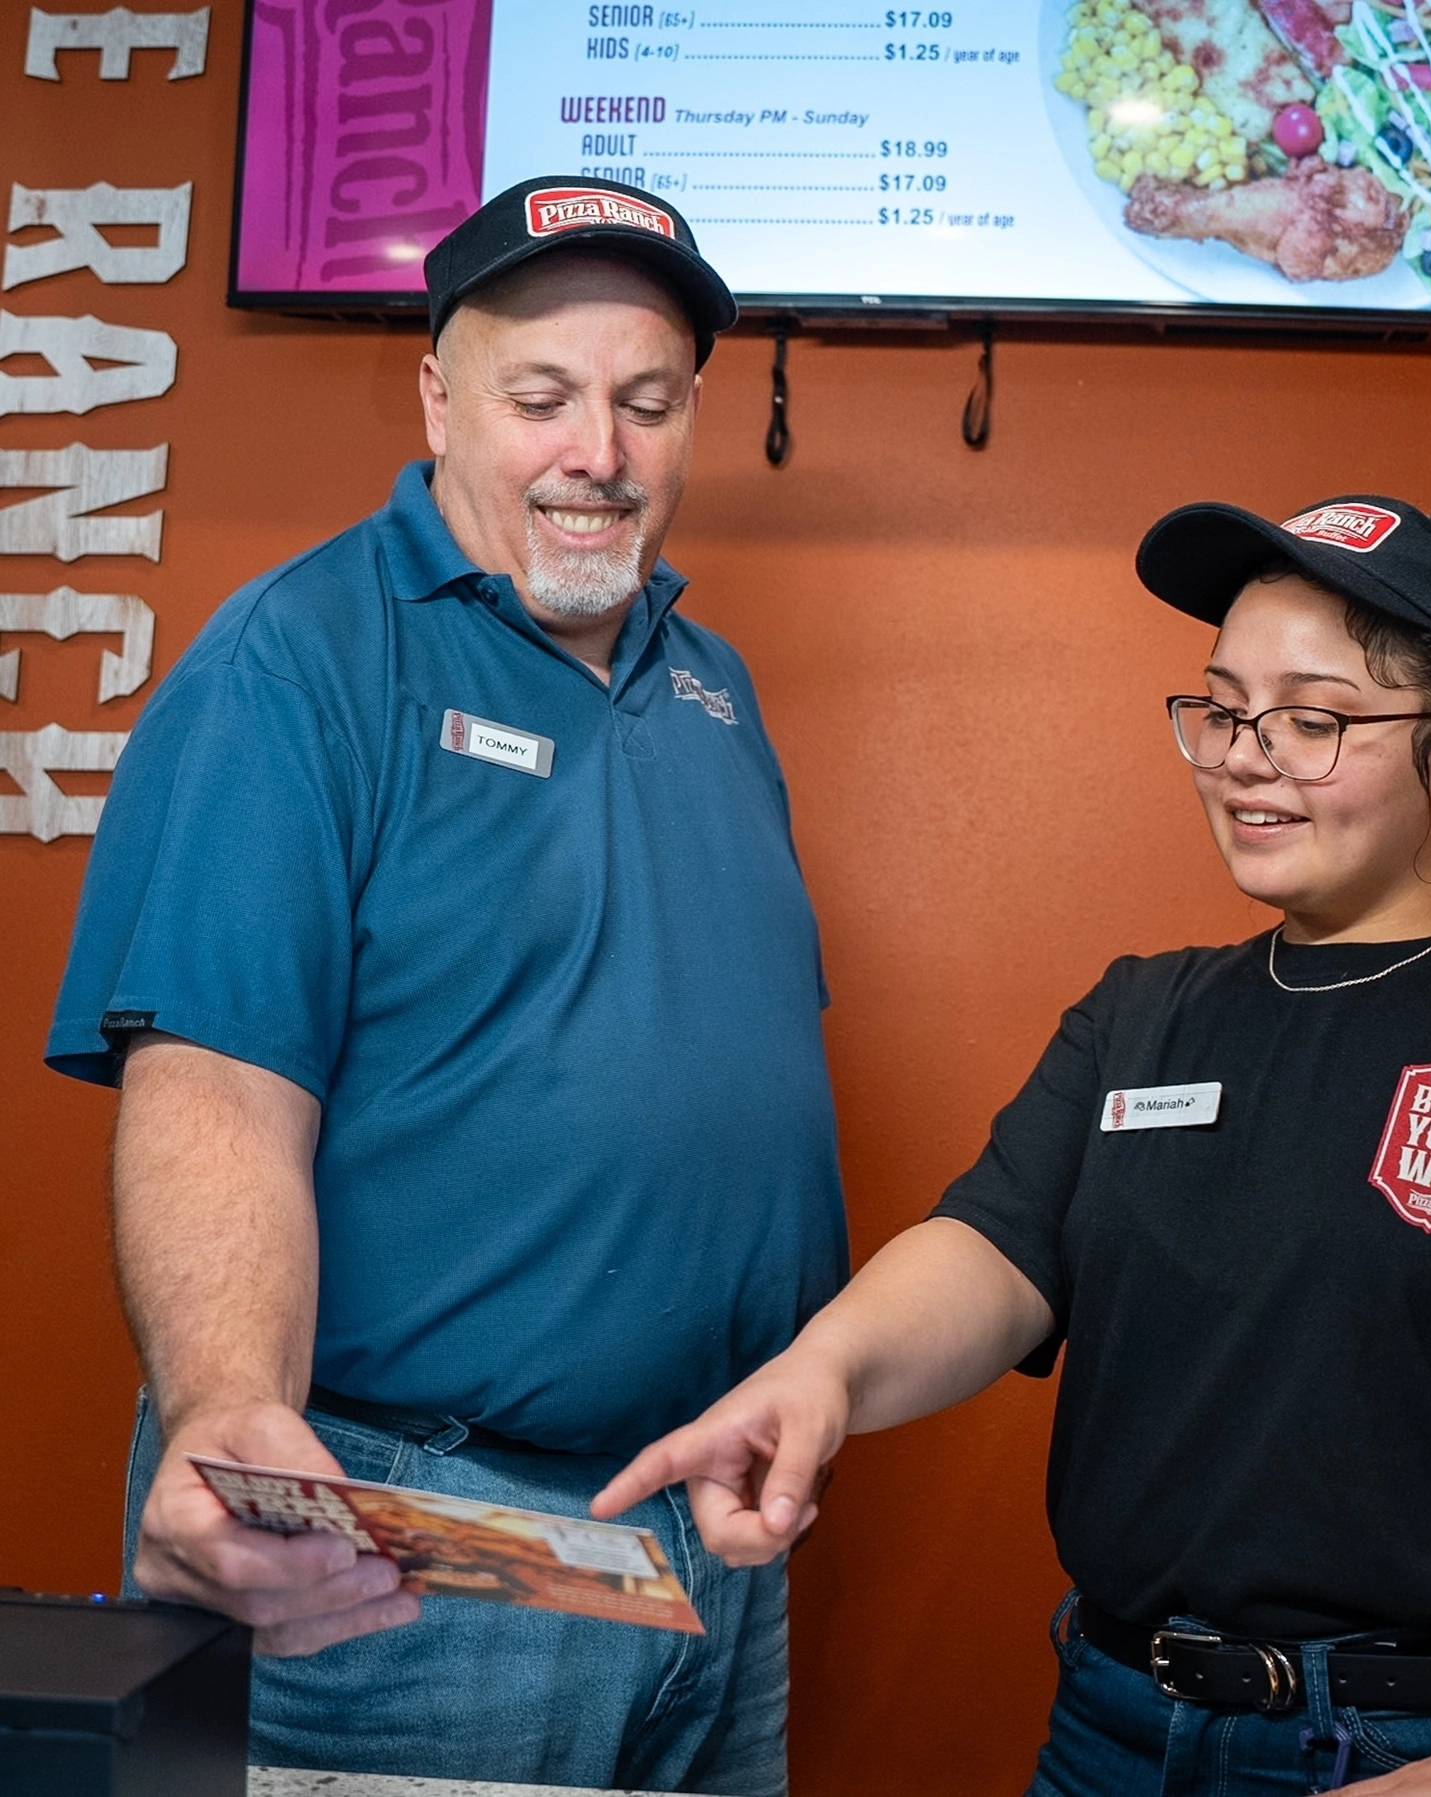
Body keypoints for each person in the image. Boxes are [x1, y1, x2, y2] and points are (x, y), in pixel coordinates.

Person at [594, 495, 1431, 1795]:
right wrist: (821, 1376)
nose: (1244, 758)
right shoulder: (1142, 1015)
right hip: (1116, 1730)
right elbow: (991, 1253)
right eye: (1221, 709)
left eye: (1314, 718)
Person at [45, 178, 847, 1794]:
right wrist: (222, 1404)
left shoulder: (710, 682)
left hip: (706, 1537)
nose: (595, 454)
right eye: (539, 397)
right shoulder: (300, 661)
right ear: (437, 395)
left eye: (644, 404)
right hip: (425, 1555)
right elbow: (211, 1088)